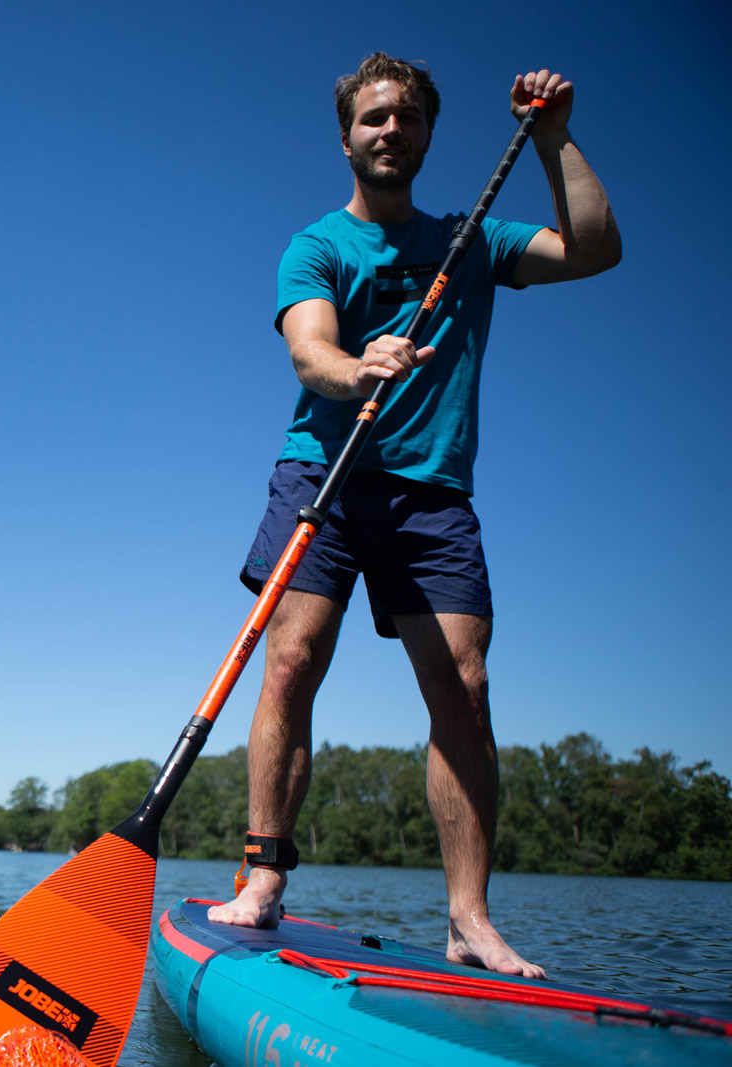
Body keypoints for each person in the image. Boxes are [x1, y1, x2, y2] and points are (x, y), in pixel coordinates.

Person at [207, 54, 620, 978]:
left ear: (427, 135)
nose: (389, 131)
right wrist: (359, 368)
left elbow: (593, 248)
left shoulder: (472, 240)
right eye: (373, 119)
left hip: (432, 491)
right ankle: (265, 874)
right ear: (347, 135)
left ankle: (468, 918)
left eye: (406, 119)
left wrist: (553, 140)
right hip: (328, 470)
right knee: (294, 656)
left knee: (464, 688)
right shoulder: (316, 245)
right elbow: (311, 351)